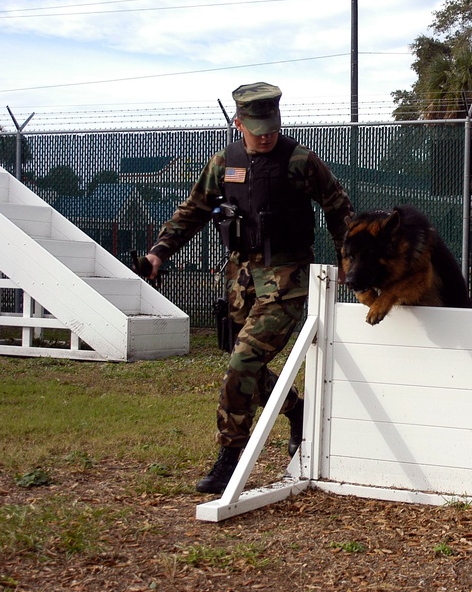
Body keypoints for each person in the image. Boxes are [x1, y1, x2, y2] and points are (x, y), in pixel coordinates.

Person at [143, 82, 354, 494]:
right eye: (257, 127)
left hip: (289, 277)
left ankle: (230, 456)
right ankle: (296, 409)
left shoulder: (300, 160)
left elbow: (338, 206)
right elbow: (193, 211)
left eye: (272, 126)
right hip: (240, 278)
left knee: (243, 362)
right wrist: (159, 252)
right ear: (238, 123)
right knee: (248, 371)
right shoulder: (225, 162)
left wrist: (348, 257)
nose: (266, 134)